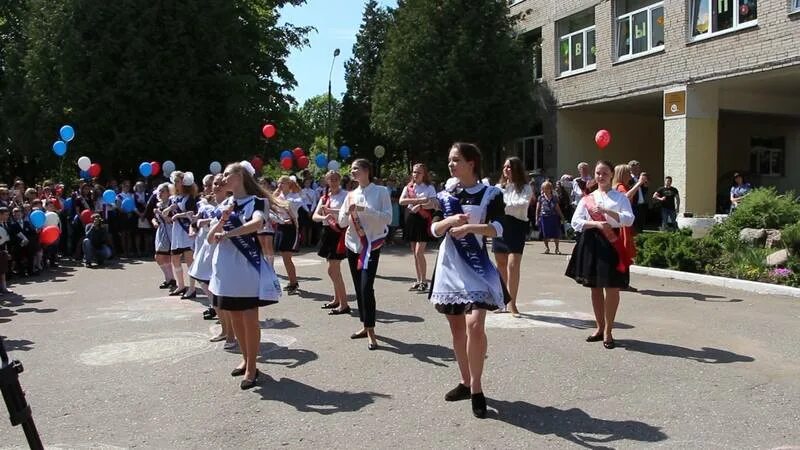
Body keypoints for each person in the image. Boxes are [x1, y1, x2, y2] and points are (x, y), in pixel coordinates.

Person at [429, 143, 506, 419]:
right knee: (457, 329)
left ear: (471, 162)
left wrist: (469, 227)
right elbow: (434, 228)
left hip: (477, 267)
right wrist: (449, 220)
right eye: (450, 160)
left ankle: (477, 388)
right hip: (450, 266)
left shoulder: (490, 194)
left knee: (475, 326)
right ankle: (465, 381)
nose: (451, 164)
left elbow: (497, 228)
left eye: (456, 159)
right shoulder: (447, 194)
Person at [208, 162, 282, 390]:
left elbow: (258, 223)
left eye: (227, 174)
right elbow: (211, 238)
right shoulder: (225, 204)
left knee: (249, 317)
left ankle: (252, 366)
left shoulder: (258, 202)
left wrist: (229, 232)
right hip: (225, 267)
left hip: (246, 266)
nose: (222, 178)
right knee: (235, 317)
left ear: (240, 176)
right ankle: (245, 357)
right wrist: (222, 220)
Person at [565, 160, 635, 350]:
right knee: (595, 287)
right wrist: (595, 224)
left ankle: (609, 330)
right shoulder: (588, 198)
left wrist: (607, 212)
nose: (600, 176)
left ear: (611, 175)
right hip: (592, 243)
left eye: (604, 173)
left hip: (612, 244)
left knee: (611, 288)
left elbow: (629, 220)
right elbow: (575, 222)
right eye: (597, 173)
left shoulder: (620, 198)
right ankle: (599, 327)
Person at [337, 158, 392, 351]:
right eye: (351, 169)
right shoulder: (350, 194)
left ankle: (371, 330)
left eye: (356, 169)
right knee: (358, 287)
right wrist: (344, 214)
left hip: (372, 244)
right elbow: (342, 222)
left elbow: (388, 218)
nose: (353, 172)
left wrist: (364, 210)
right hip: (352, 244)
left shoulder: (381, 191)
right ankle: (364, 324)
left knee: (367, 287)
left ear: (367, 170)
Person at [492, 157, 531, 317]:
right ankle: (502, 301)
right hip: (499, 226)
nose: (506, 169)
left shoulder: (525, 188)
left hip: (516, 227)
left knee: (513, 265)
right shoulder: (498, 187)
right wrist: (504, 207)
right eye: (505, 166)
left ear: (517, 169)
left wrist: (504, 206)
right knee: (500, 264)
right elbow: (494, 207)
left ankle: (512, 303)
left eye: (510, 167)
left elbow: (522, 205)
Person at [312, 171, 350, 315]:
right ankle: (337, 299)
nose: (333, 181)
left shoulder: (346, 195)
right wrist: (324, 216)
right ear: (327, 181)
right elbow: (315, 216)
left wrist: (331, 211)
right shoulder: (324, 197)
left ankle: (344, 304)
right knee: (332, 270)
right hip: (327, 233)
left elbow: (347, 211)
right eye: (330, 179)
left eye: (335, 179)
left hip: (338, 233)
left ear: (339, 180)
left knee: (333, 270)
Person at [399, 163, 437, 292]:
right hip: (411, 219)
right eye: (414, 172)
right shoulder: (409, 187)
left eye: (418, 172)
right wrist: (417, 201)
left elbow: (432, 203)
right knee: (414, 253)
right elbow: (401, 201)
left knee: (418, 252)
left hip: (423, 220)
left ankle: (424, 281)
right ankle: (418, 280)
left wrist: (421, 206)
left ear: (424, 174)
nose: (416, 174)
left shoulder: (429, 187)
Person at [164, 171, 198, 299]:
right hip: (177, 231)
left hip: (186, 231)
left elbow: (193, 214)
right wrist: (168, 211)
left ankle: (192, 288)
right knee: (175, 258)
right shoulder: (175, 198)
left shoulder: (190, 198)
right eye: (175, 181)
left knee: (190, 260)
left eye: (178, 181)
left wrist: (179, 214)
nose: (176, 184)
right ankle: (181, 285)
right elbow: (168, 215)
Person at [275, 176, 304, 295]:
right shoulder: (278, 197)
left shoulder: (294, 197)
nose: (280, 185)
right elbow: (272, 209)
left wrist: (282, 202)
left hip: (291, 227)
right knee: (284, 256)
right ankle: (292, 282)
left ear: (289, 184)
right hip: (281, 226)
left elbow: (298, 203)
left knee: (287, 256)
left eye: (283, 183)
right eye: (279, 183)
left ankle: (294, 282)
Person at [613, 164, 642, 268]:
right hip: (623, 222)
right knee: (625, 250)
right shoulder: (621, 186)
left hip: (621, 220)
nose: (630, 176)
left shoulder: (617, 186)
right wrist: (639, 183)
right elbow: (626, 196)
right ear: (622, 174)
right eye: (628, 173)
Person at [152, 183, 176, 290]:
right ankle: (169, 279)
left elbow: (170, 220)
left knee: (161, 256)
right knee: (162, 256)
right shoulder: (159, 205)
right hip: (161, 231)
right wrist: (154, 222)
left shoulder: (171, 204)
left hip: (169, 231)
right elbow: (154, 218)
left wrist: (160, 213)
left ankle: (170, 279)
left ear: (168, 193)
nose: (160, 193)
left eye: (163, 191)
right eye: (159, 191)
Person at [536, 180, 565, 255]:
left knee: (556, 234)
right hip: (544, 217)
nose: (545, 190)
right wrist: (537, 218)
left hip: (554, 217)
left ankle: (557, 249)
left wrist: (562, 217)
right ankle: (547, 248)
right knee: (545, 234)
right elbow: (538, 208)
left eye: (547, 188)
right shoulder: (540, 198)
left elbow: (557, 208)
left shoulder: (554, 198)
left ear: (550, 189)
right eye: (544, 188)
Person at [628, 160, 649, 232]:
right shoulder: (629, 178)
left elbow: (643, 192)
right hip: (633, 205)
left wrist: (645, 184)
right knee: (634, 225)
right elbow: (630, 189)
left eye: (638, 168)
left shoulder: (638, 178)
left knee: (641, 225)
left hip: (641, 205)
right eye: (635, 168)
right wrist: (639, 182)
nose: (637, 170)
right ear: (630, 169)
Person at [0, 207, 12, 295]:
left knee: (3, 269)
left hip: (3, 249)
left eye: (8, 215)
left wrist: (7, 251)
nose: (7, 216)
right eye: (5, 215)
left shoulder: (6, 224)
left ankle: (4, 287)